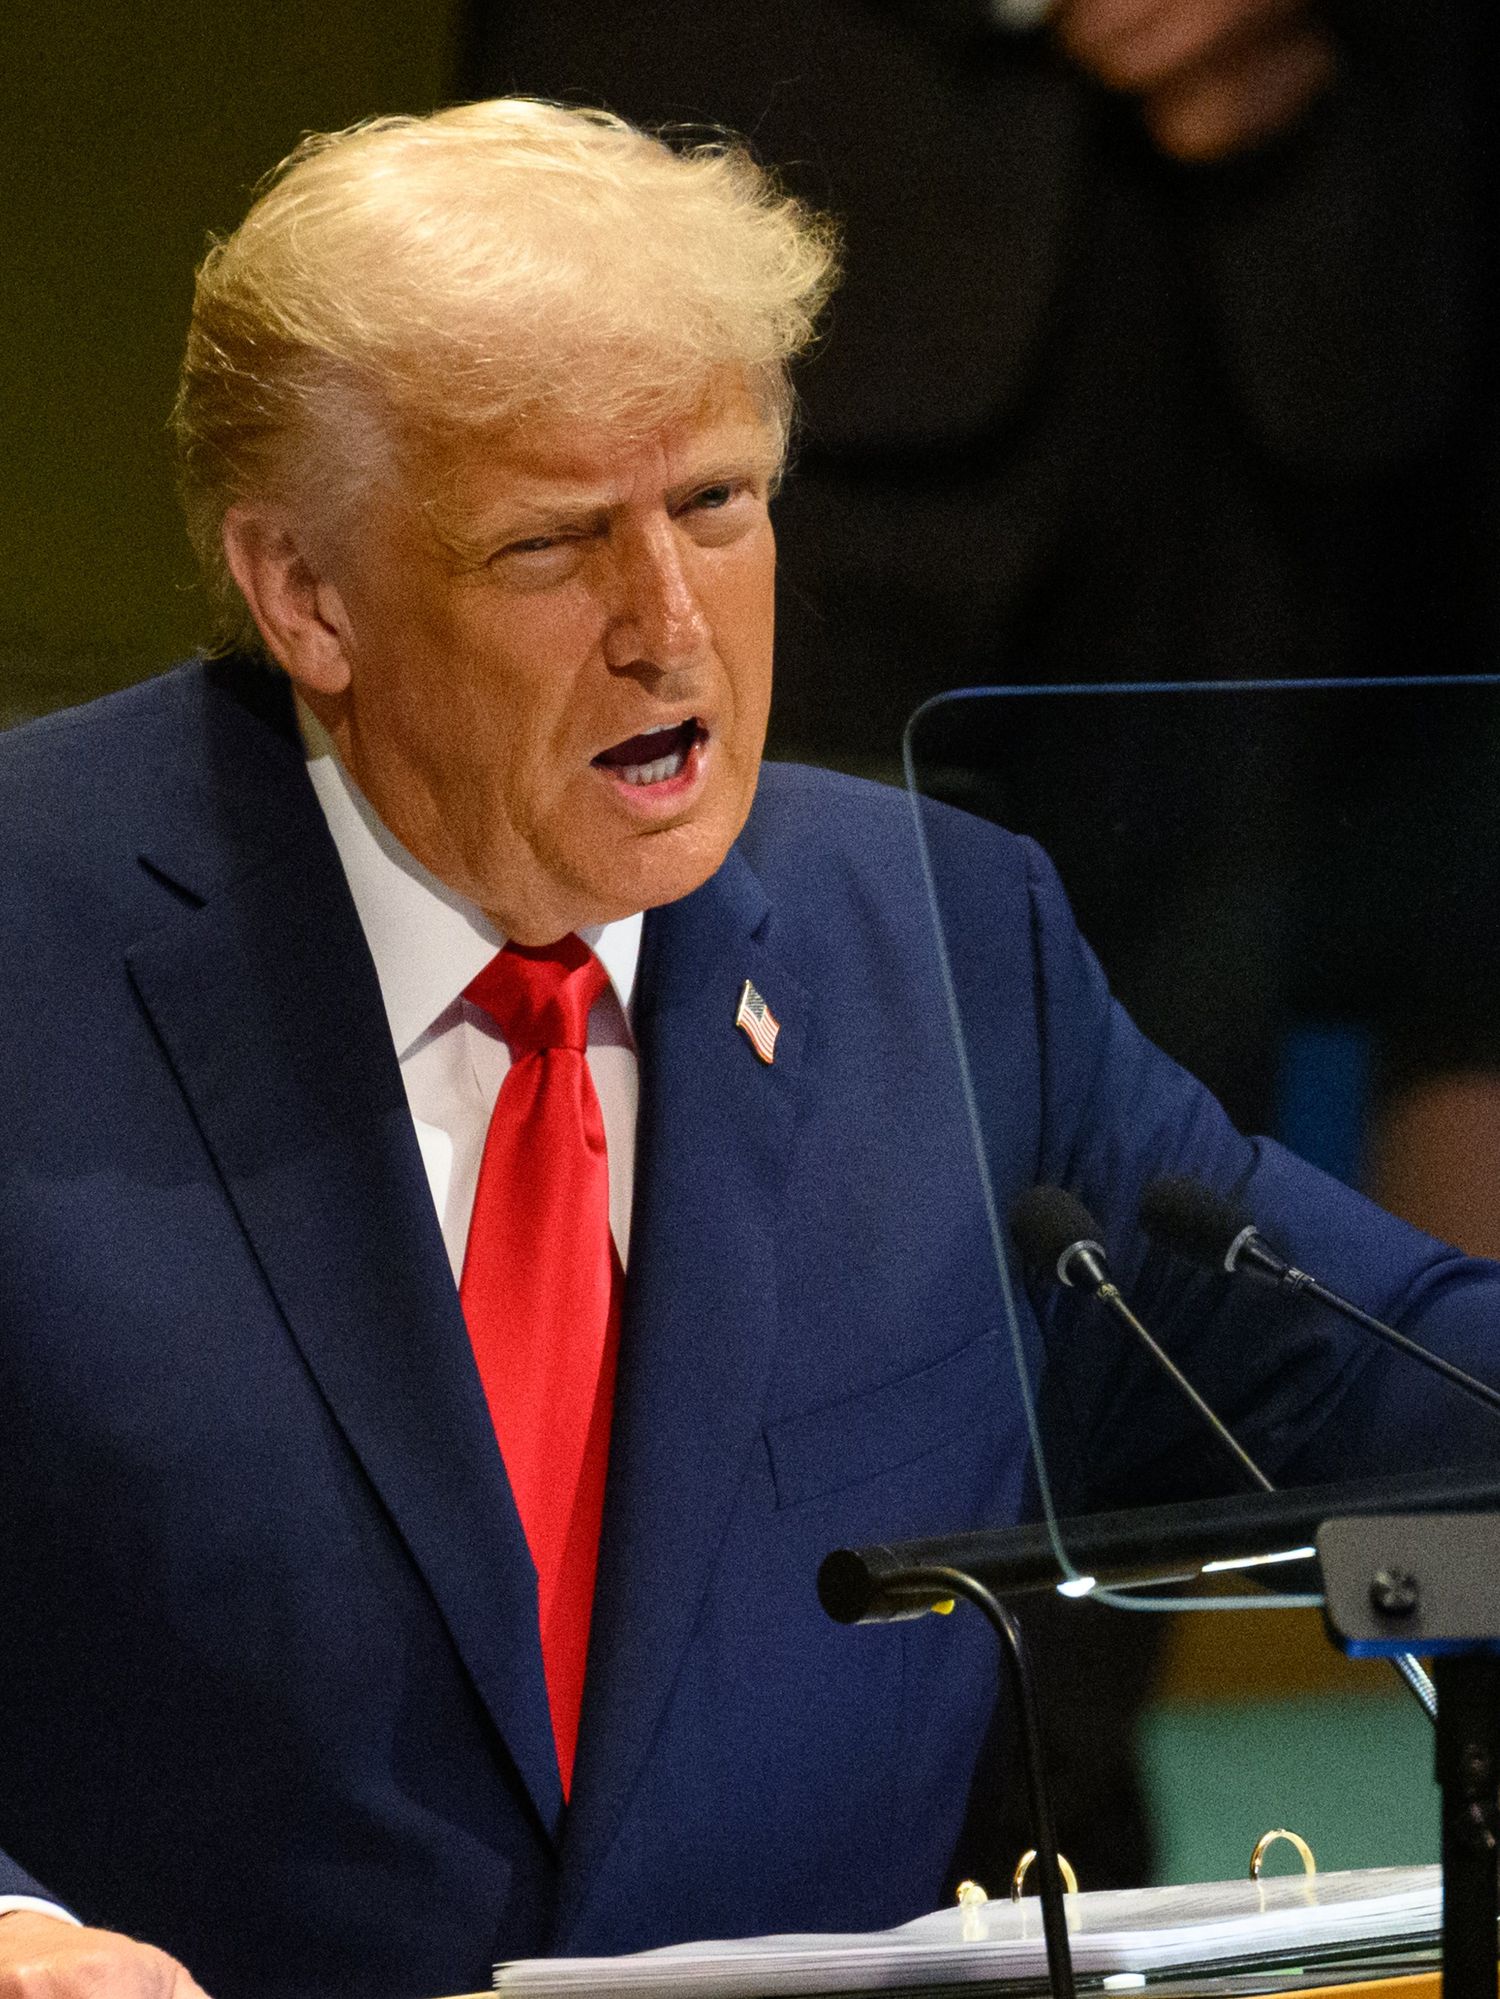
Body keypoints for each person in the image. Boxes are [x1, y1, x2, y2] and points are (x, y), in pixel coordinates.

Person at [0, 98, 1496, 1999]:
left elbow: (1391, 1386)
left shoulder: (947, 943)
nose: (670, 627)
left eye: (718, 501)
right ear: (309, 596)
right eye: (553, 545)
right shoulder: (31, 950)